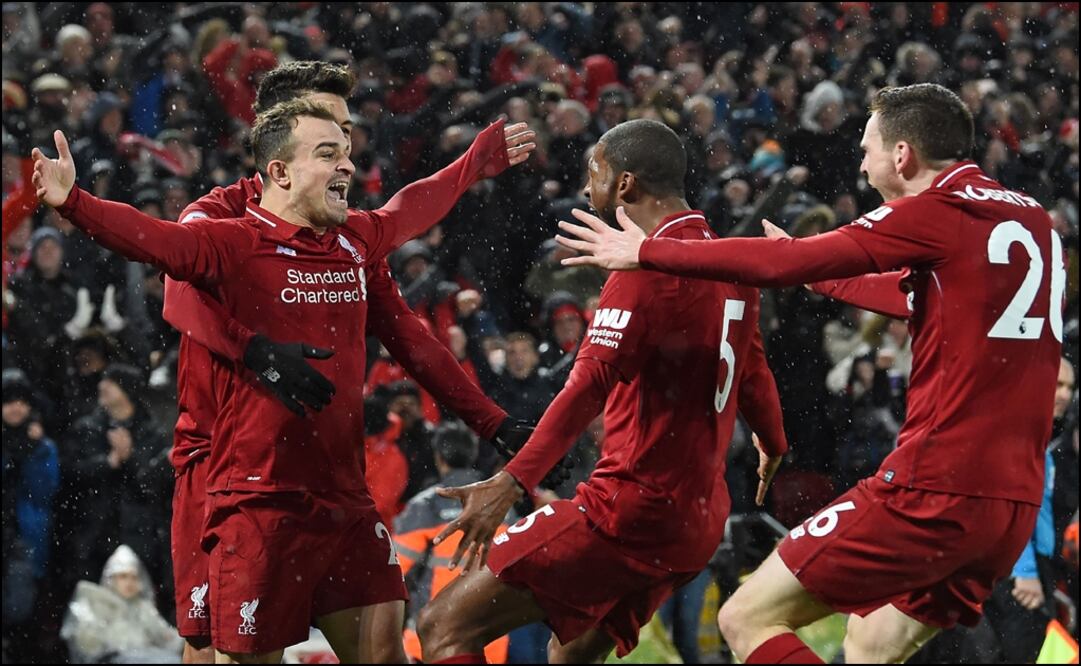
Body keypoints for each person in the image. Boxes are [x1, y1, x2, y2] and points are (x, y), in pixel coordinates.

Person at [557, 83, 1065, 663]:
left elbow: (784, 262)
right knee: (872, 643)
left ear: (903, 155)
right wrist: (815, 275)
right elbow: (919, 299)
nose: (863, 162)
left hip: (935, 487)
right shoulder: (1033, 221)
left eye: (868, 148)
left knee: (746, 616)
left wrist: (648, 253)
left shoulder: (937, 211)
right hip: (1013, 502)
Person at [33, 99, 534, 664]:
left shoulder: (355, 242)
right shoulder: (234, 239)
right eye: (328, 154)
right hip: (258, 499)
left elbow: (409, 210)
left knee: (385, 654)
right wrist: (73, 202)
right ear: (279, 171)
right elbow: (156, 242)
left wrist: (472, 162)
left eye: (347, 152)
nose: (347, 166)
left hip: (344, 498)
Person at [161, 60, 540, 664]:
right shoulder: (214, 217)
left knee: (378, 644)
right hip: (223, 467)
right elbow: (178, 299)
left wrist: (490, 420)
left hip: (327, 474)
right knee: (214, 651)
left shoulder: (344, 240)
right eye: (327, 131)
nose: (345, 152)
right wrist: (257, 354)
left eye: (345, 132)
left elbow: (409, 338)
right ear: (276, 132)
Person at [416, 118, 788, 665]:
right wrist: (774, 444)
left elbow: (588, 384)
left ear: (625, 185)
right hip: (698, 521)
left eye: (594, 172)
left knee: (443, 626)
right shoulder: (729, 259)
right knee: (569, 656)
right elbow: (752, 368)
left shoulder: (641, 266)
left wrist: (511, 480)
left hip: (629, 512)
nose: (586, 186)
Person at [394, 421, 512, 664]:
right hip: (489, 637)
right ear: (473, 454)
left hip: (435, 638)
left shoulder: (425, 506)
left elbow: (395, 571)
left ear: (438, 458)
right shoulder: (501, 504)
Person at [60, 544, 184, 664]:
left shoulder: (143, 608)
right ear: (111, 579)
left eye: (133, 577)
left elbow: (166, 636)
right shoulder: (98, 605)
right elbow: (87, 645)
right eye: (123, 576)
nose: (129, 583)